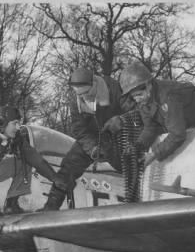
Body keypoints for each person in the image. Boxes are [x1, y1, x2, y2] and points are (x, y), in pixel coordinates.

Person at [40, 68, 132, 211]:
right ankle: (50, 207)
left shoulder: (114, 88)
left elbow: (135, 111)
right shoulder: (74, 100)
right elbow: (80, 130)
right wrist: (93, 149)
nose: (84, 97)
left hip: (119, 135)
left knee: (132, 168)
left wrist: (122, 121)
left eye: (87, 92)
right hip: (93, 138)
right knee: (69, 164)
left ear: (94, 83)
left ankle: (142, 203)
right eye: (79, 94)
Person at [117, 61, 195, 167]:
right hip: (185, 125)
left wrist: (154, 155)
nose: (137, 100)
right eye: (133, 97)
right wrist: (138, 146)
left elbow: (177, 134)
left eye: (139, 95)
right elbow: (151, 128)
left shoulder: (169, 96)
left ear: (149, 85)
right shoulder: (143, 101)